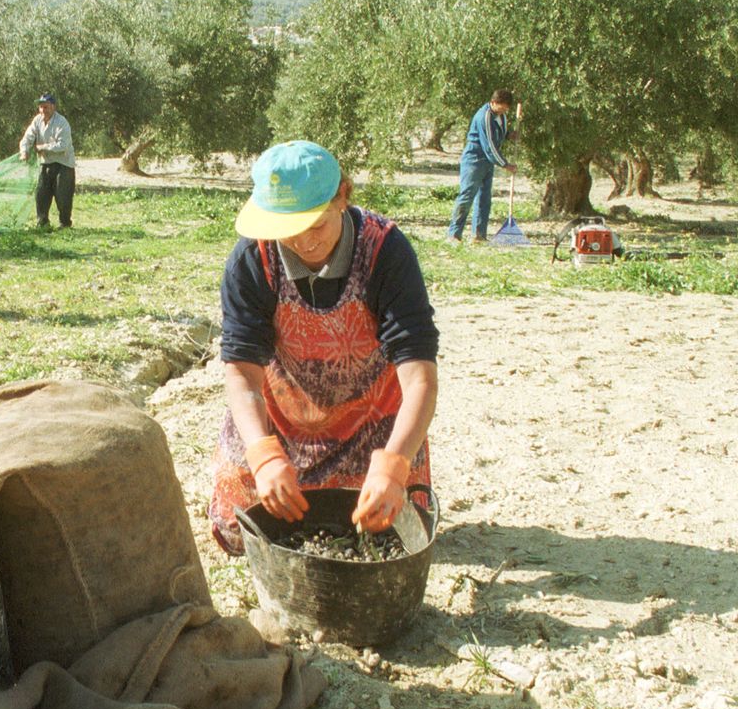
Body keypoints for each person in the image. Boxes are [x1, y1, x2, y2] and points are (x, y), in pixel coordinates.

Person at [210, 140, 439, 555]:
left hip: (373, 420)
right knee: (237, 530)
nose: (303, 243)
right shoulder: (250, 259)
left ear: (343, 196)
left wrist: (395, 463)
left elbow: (420, 376)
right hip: (285, 415)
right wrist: (263, 455)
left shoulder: (386, 252)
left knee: (397, 529)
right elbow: (242, 373)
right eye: (287, 230)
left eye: (315, 224)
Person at [447, 89, 516, 243]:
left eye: (506, 108)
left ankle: (479, 235)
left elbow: (499, 132)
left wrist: (509, 135)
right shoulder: (484, 117)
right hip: (474, 160)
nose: (504, 111)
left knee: (484, 198)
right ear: (493, 103)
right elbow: (489, 146)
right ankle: (454, 234)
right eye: (502, 107)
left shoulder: (501, 116)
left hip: (488, 162)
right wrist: (505, 164)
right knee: (467, 195)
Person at [17, 93, 76, 228]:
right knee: (41, 193)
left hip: (64, 163)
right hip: (45, 162)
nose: (43, 110)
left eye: (46, 107)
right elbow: (27, 137)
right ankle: (42, 223)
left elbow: (63, 145)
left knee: (63, 195)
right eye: (41, 107)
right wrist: (24, 151)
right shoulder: (37, 120)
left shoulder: (62, 122)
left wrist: (43, 147)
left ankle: (65, 224)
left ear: (53, 107)